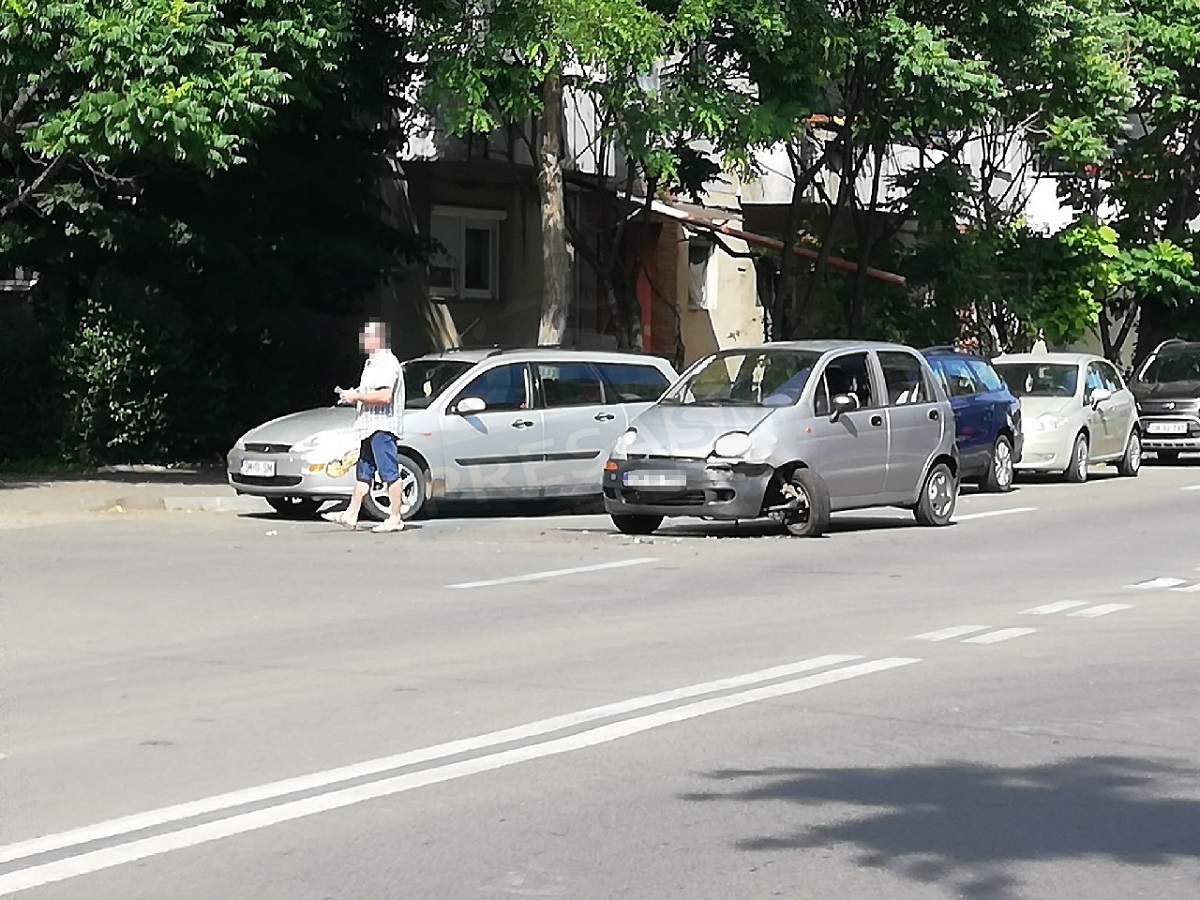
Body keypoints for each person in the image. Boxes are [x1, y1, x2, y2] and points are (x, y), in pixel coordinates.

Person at [324, 320, 407, 533]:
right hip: (368, 426)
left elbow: (385, 396)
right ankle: (351, 514)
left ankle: (395, 517)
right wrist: (352, 397)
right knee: (364, 473)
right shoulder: (372, 363)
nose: (362, 340)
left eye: (366, 336)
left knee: (389, 473)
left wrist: (357, 395)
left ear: (377, 338)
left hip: (382, 427)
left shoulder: (387, 363)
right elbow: (369, 392)